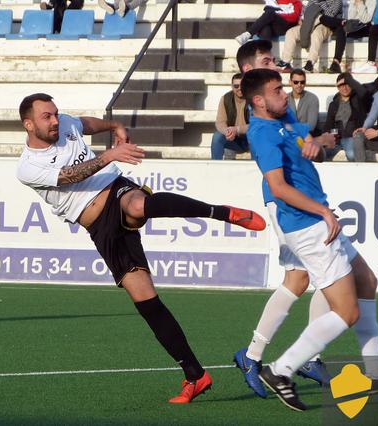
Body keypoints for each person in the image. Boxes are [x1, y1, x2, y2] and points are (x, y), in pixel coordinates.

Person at [15, 93, 267, 404]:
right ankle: (195, 375)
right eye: (46, 117)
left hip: (114, 188)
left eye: (55, 114)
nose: (55, 121)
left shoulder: (65, 123)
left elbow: (85, 124)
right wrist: (109, 154)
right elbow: (68, 177)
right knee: (145, 299)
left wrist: (114, 124)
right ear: (28, 124)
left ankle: (222, 212)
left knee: (137, 204)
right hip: (99, 227)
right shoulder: (27, 167)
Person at [241, 68, 378, 410]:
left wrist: (316, 142)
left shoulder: (284, 115)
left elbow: (306, 142)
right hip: (308, 226)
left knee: (367, 280)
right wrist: (323, 214)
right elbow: (278, 188)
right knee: (346, 311)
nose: (285, 94)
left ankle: (377, 376)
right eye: (278, 90)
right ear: (259, 101)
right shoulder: (261, 133)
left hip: (318, 217)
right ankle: (280, 370)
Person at [234, 39, 340, 399]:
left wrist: (317, 142)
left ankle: (255, 355)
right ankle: (299, 356)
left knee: (300, 278)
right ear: (249, 71)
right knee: (322, 275)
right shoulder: (261, 115)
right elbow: (278, 172)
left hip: (304, 197)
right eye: (267, 61)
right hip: (287, 205)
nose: (276, 66)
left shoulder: (280, 108)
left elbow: (304, 144)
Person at [276, 0, 343, 73]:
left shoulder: (336, 1)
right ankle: (285, 62)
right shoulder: (313, 1)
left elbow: (328, 16)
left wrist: (316, 7)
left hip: (325, 26)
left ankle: (310, 63)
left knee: (316, 33)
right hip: (309, 24)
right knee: (291, 32)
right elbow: (305, 14)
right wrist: (303, 19)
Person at [324, 72, 378, 161]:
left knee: (352, 154)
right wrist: (326, 138)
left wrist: (348, 79)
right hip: (336, 140)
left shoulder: (359, 99)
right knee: (320, 152)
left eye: (347, 84)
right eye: (341, 85)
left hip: (353, 138)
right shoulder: (334, 104)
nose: (344, 88)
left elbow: (363, 92)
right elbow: (328, 125)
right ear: (337, 87)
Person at [322, 0, 377, 73]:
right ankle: (336, 62)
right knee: (340, 28)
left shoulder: (372, 1)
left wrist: (360, 4)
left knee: (372, 29)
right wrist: (355, 3)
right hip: (354, 26)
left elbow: (366, 20)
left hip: (365, 27)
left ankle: (371, 64)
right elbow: (351, 17)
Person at [211, 73, 250, 160]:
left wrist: (237, 129)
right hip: (233, 138)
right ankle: (215, 168)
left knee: (256, 135)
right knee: (217, 137)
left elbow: (257, 124)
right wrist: (227, 132)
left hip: (250, 137)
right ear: (232, 87)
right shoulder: (225, 98)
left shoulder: (254, 98)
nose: (239, 88)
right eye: (236, 86)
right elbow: (220, 122)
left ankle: (258, 169)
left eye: (242, 85)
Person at [235, 0, 302, 45]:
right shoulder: (272, 1)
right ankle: (267, 55)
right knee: (265, 28)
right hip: (273, 25)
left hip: (286, 26)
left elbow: (294, 18)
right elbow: (267, 9)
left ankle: (248, 34)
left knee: (270, 13)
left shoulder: (296, 1)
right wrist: (277, 12)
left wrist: (277, 13)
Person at [287, 69, 319, 133]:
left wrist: (290, 127)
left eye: (302, 82)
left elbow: (311, 126)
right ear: (290, 82)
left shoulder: (312, 98)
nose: (299, 85)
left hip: (307, 137)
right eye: (296, 82)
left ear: (305, 82)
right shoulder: (284, 99)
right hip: (288, 138)